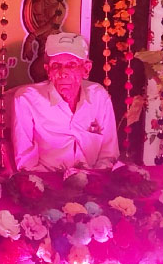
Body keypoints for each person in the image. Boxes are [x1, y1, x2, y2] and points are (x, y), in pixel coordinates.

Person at [11, 32, 119, 172]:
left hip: (94, 176)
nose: (63, 72)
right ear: (48, 70)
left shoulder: (98, 96)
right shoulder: (27, 99)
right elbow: (26, 163)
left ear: (86, 69)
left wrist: (95, 178)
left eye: (71, 65)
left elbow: (109, 154)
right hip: (46, 179)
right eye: (56, 65)